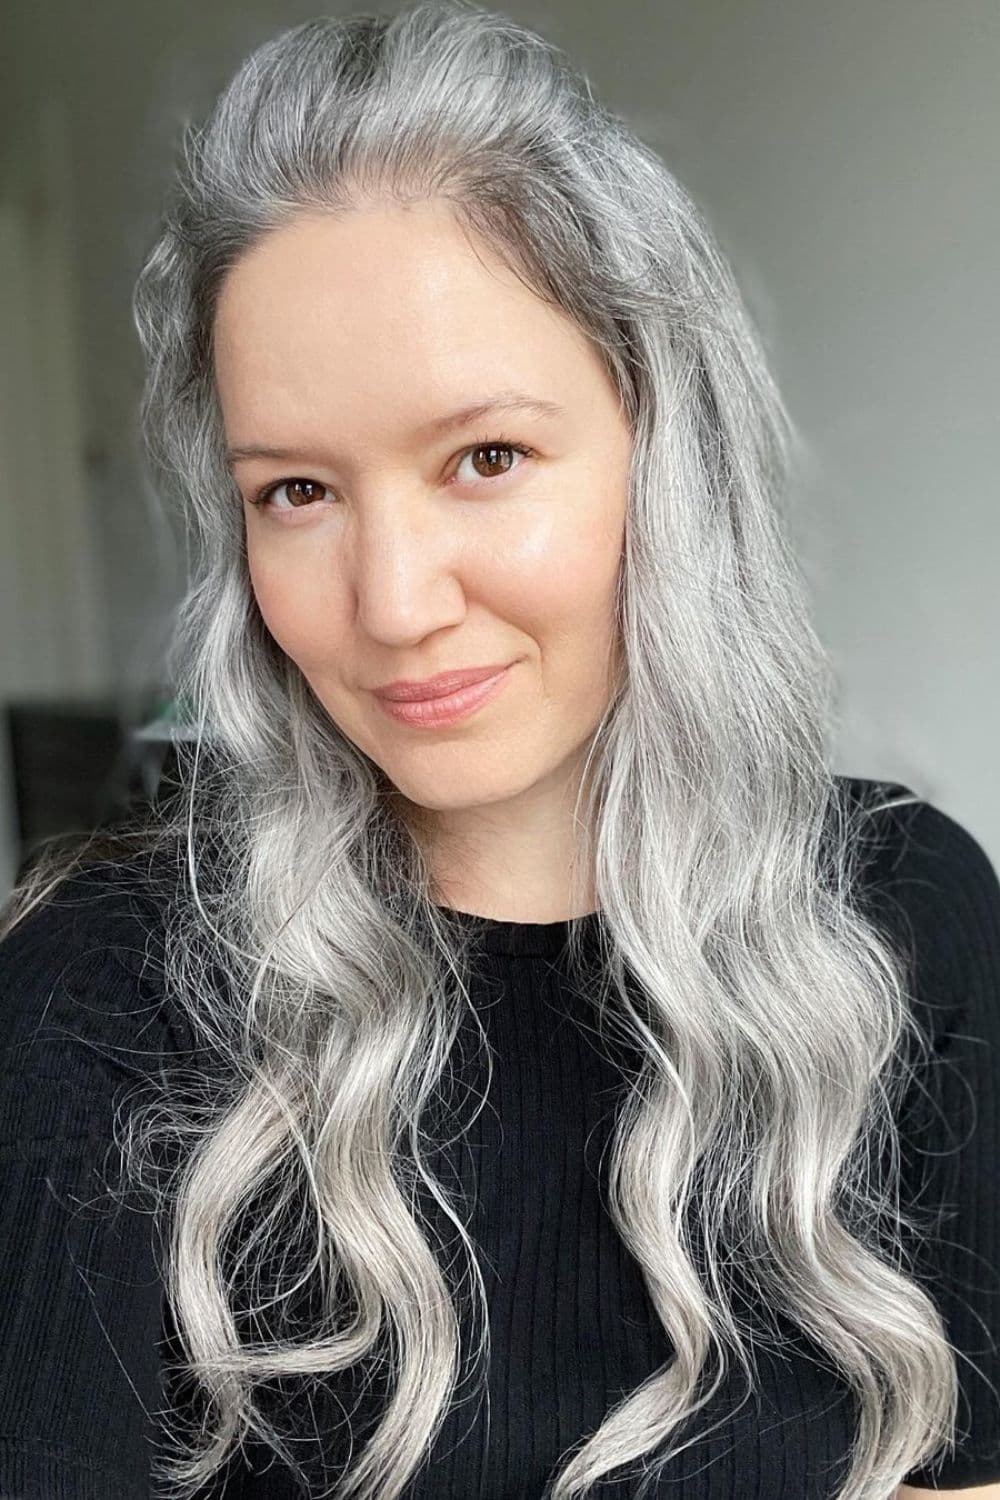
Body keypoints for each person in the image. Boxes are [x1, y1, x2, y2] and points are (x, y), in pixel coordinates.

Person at [1, 5, 998, 1498]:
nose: (393, 604)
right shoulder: (94, 1006)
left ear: (666, 456)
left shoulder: (900, 918)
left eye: (485, 458)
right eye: (295, 492)